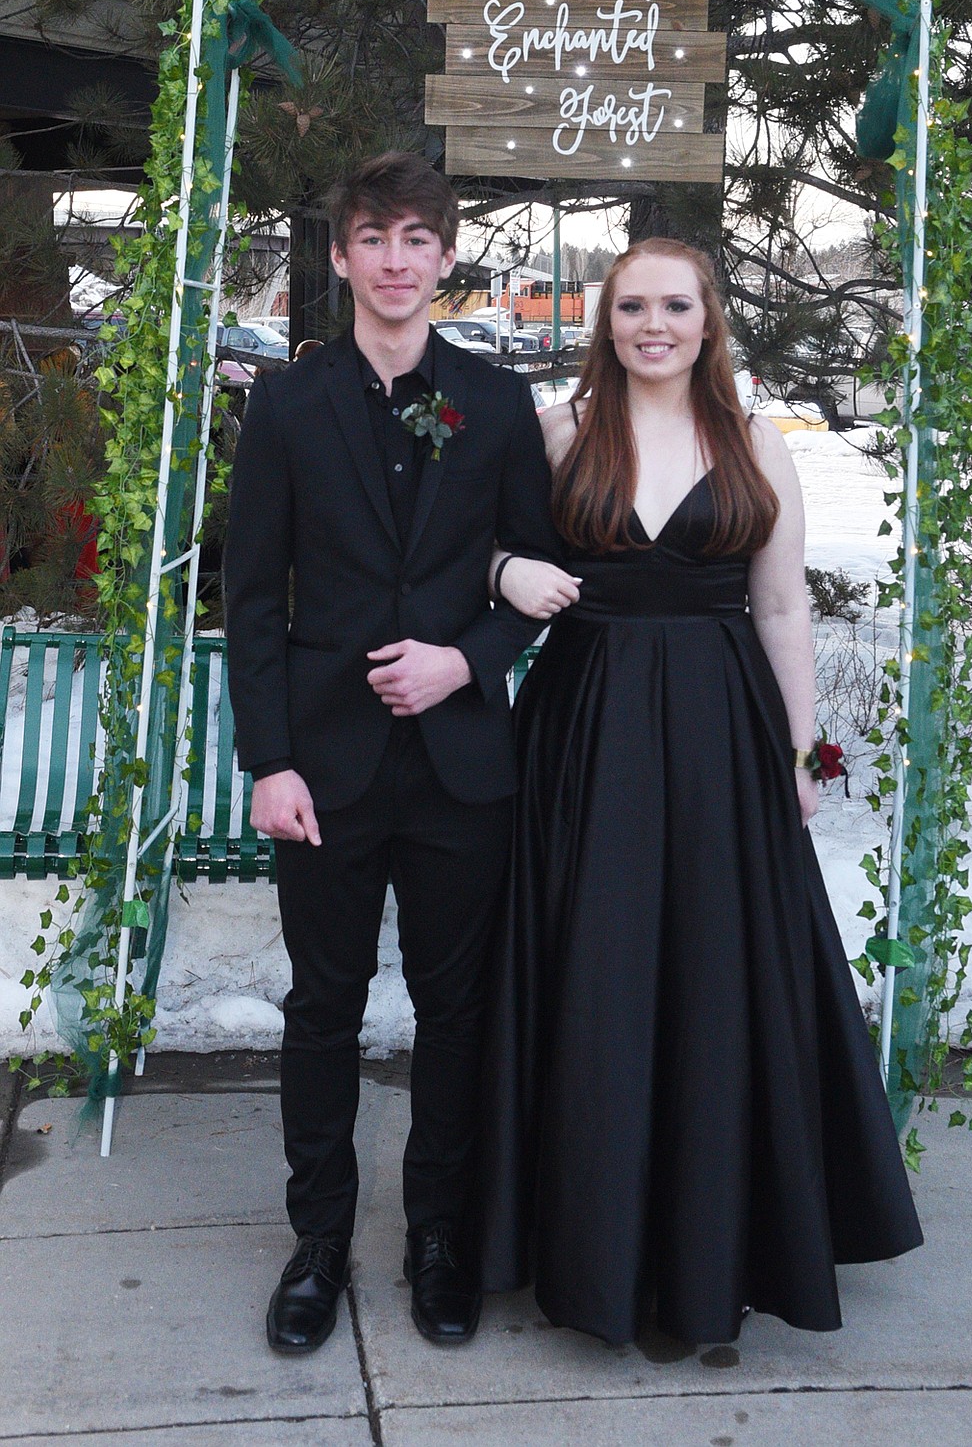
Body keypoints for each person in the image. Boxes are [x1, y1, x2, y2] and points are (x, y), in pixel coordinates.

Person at [479, 237, 923, 1346]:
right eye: (633, 306)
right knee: (597, 975)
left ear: (710, 319)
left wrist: (804, 754)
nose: (654, 325)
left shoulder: (757, 443)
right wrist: (499, 572)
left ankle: (706, 1251)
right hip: (584, 729)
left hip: (726, 738)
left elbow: (782, 611)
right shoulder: (560, 432)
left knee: (715, 980)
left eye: (676, 304)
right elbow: (480, 553)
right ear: (607, 320)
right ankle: (590, 1250)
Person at [223, 153, 559, 1354]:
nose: (397, 258)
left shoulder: (499, 402)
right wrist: (270, 759)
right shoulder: (288, 405)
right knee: (323, 1009)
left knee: (456, 1011)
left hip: (464, 763)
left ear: (448, 256)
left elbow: (531, 574)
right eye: (374, 237)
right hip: (325, 767)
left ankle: (438, 1238)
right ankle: (317, 1243)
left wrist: (466, 660)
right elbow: (252, 598)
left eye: (419, 237)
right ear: (340, 256)